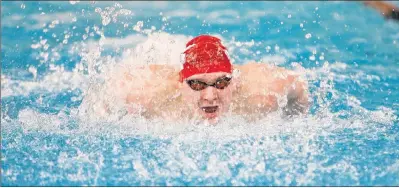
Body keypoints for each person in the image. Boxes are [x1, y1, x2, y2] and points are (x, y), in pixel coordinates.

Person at [80, 35, 309, 124]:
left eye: (221, 83)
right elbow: (111, 90)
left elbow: (298, 85)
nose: (210, 96)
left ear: (235, 81)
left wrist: (292, 121)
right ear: (182, 85)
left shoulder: (263, 93)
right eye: (197, 85)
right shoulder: (148, 94)